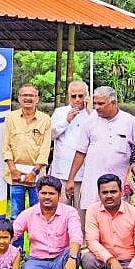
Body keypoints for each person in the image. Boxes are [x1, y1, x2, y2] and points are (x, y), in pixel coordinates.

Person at [10, 176, 82, 269]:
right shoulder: (28, 213)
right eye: (43, 193)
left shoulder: (70, 212)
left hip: (61, 259)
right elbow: (11, 234)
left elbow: (76, 235)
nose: (47, 197)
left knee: (75, 253)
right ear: (38, 194)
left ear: (59, 195)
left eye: (51, 193)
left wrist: (72, 258)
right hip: (37, 260)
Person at [66, 86, 135, 212]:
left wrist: (130, 178)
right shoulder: (90, 121)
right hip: (92, 184)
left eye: (101, 103)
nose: (97, 107)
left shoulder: (130, 122)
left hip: (119, 185)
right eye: (95, 103)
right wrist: (71, 179)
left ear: (114, 103)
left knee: (118, 221)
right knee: (91, 222)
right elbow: (80, 152)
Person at [80, 174, 135, 269]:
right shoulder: (93, 210)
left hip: (130, 263)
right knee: (87, 259)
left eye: (113, 192)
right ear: (99, 194)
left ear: (121, 192)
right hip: (106, 262)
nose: (109, 195)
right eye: (105, 192)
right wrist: (112, 260)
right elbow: (92, 241)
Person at [3, 83, 52, 219]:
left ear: (37, 99)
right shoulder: (10, 118)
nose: (28, 98)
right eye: (24, 95)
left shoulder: (45, 120)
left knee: (38, 216)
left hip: (36, 176)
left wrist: (34, 172)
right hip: (15, 176)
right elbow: (6, 146)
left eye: (31, 95)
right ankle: (16, 242)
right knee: (15, 216)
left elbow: (45, 149)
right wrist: (13, 170)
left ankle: (36, 241)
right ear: (19, 98)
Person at [51, 81, 92, 211]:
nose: (77, 99)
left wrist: (91, 112)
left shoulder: (93, 115)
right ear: (68, 96)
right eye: (74, 96)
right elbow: (50, 135)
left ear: (87, 96)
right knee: (61, 215)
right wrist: (66, 121)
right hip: (62, 172)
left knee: (82, 217)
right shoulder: (60, 112)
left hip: (85, 174)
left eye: (81, 96)